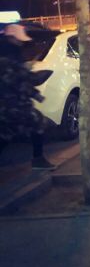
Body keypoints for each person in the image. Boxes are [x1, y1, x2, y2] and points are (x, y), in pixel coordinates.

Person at [0, 23, 54, 170]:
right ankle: (38, 160)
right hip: (13, 103)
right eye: (18, 39)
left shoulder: (10, 53)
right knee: (37, 123)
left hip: (10, 102)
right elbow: (16, 80)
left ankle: (38, 159)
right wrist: (31, 79)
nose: (21, 42)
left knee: (7, 134)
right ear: (11, 37)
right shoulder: (8, 56)